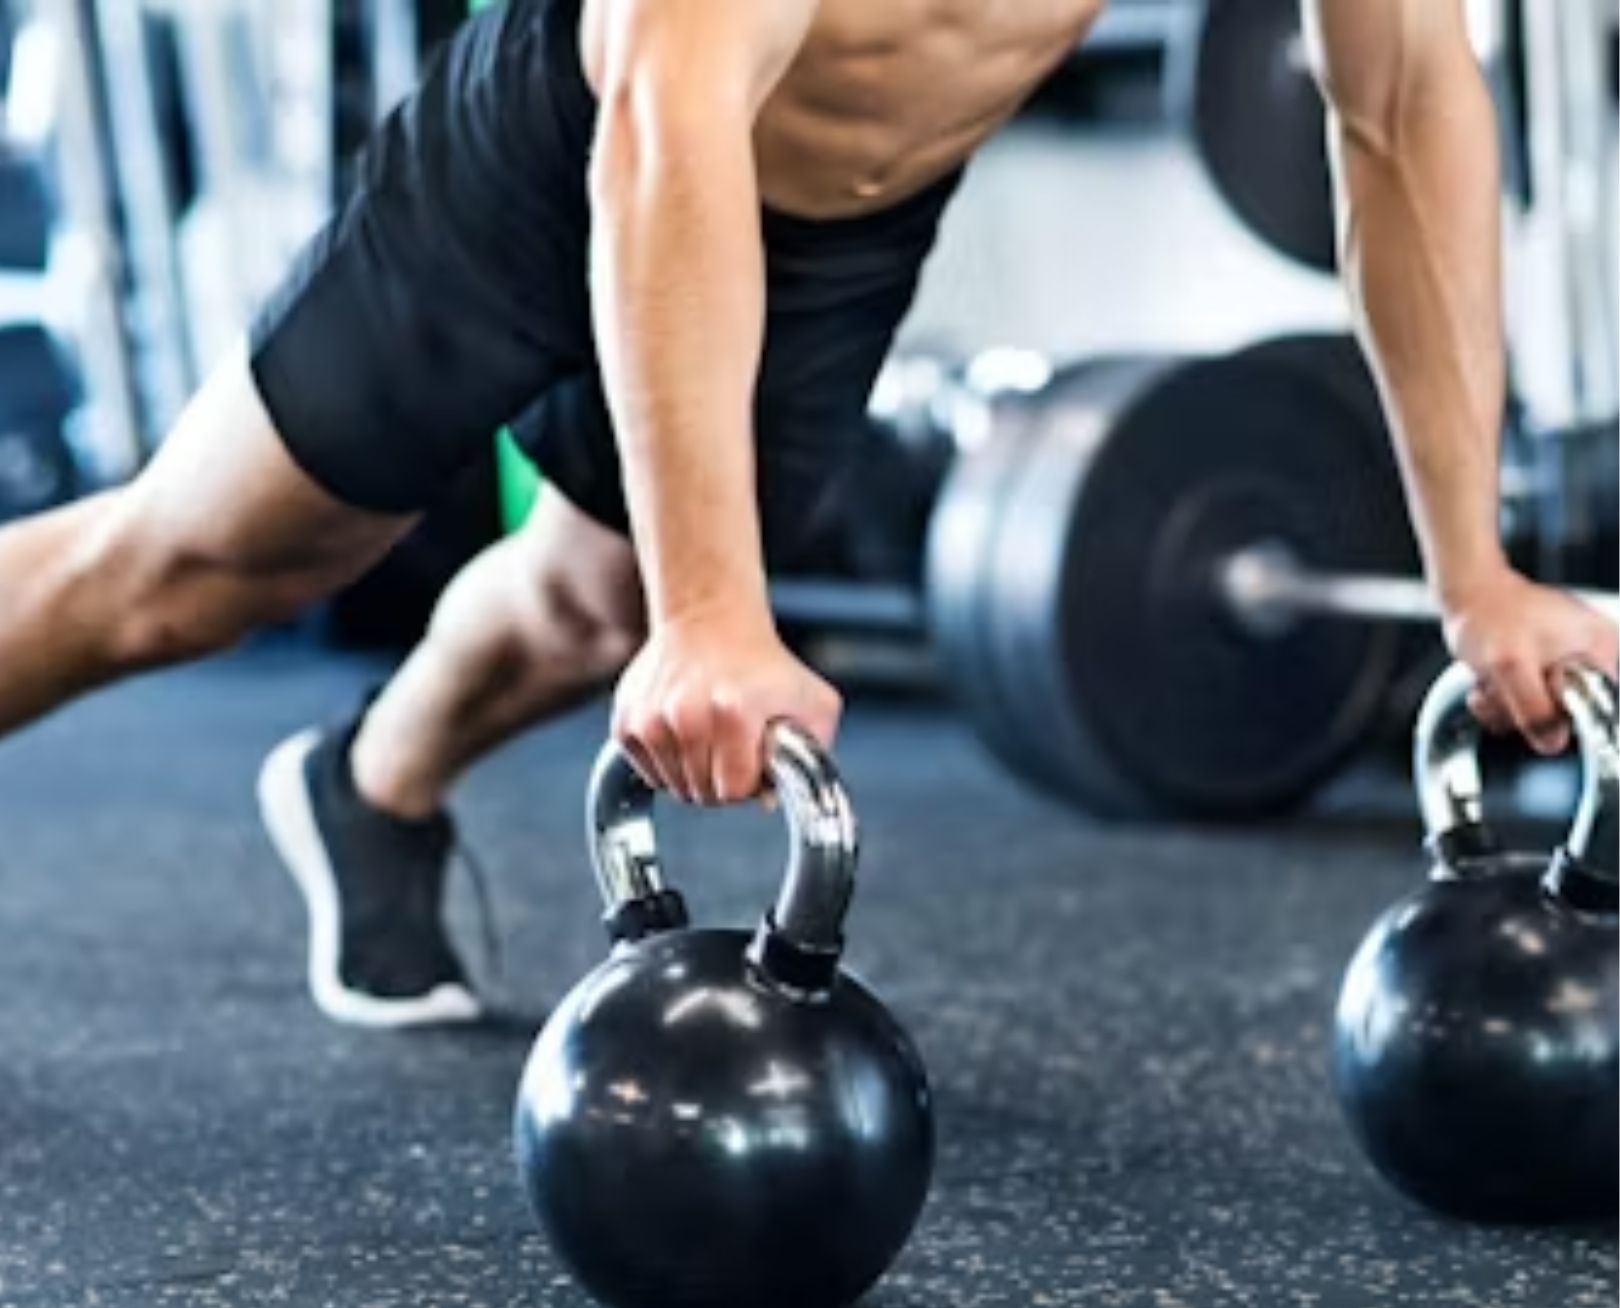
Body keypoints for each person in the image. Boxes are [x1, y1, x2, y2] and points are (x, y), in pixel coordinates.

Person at [2, 0, 1614, 1024]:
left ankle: (371, 788)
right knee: (192, 572)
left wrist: (1476, 578)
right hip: (572, 131)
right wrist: (723, 609)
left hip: (839, 221)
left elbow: (1402, 111)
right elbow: (668, 107)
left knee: (595, 613)